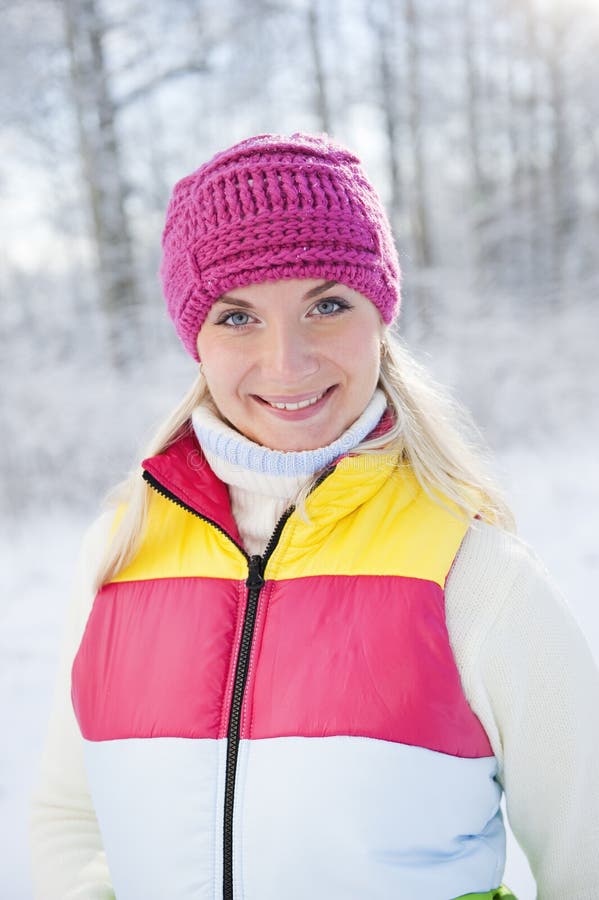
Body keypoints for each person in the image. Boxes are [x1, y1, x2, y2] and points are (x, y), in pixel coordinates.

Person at [30, 132, 599, 900]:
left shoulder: (473, 575)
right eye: (237, 317)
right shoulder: (120, 553)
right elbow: (73, 817)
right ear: (193, 339)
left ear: (380, 316)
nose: (286, 361)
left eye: (325, 305)